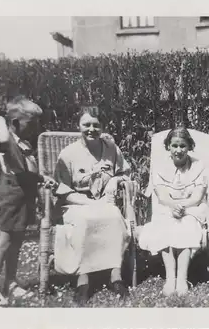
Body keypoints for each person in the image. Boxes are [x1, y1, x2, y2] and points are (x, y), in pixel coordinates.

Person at [52, 106, 132, 306]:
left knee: (115, 217)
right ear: (78, 125)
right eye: (86, 124)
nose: (91, 129)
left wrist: (115, 180)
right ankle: (83, 278)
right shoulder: (68, 154)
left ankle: (116, 275)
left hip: (104, 201)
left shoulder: (111, 148)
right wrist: (87, 202)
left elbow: (124, 172)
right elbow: (61, 190)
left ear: (103, 127)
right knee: (86, 219)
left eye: (96, 125)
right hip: (76, 203)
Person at [0, 96, 56, 306]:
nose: (35, 127)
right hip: (11, 198)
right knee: (5, 242)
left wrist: (42, 179)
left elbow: (27, 171)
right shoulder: (8, 141)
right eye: (31, 123)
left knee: (16, 243)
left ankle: (10, 282)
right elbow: (1, 140)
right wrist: (1, 122)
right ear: (15, 123)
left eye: (37, 123)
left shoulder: (23, 142)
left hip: (22, 197)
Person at [138, 127, 209, 297]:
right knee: (165, 225)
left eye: (183, 146)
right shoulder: (160, 166)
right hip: (167, 207)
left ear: (189, 146)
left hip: (192, 208)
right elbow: (162, 196)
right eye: (174, 145)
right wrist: (173, 207)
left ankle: (182, 279)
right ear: (168, 147)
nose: (178, 150)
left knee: (188, 225)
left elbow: (198, 197)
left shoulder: (199, 166)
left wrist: (183, 207)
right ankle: (171, 278)